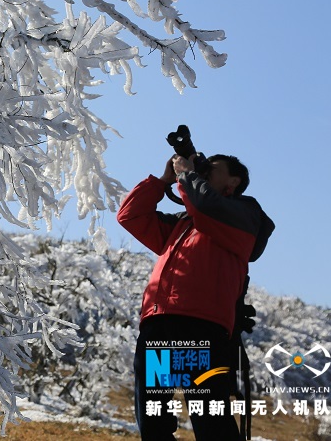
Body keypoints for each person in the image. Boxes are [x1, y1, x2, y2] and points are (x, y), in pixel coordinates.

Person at [117, 152, 274, 440]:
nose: (202, 173)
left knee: (210, 421)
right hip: (159, 324)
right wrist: (163, 180)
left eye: (212, 170)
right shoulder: (183, 223)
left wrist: (186, 175)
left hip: (201, 328)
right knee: (154, 422)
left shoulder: (246, 214)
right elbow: (130, 215)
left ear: (233, 181)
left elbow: (207, 209)